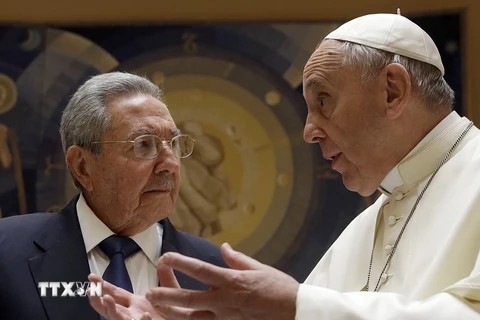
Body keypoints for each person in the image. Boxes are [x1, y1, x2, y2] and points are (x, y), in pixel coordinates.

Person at [99, 12, 480, 320]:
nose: (309, 132)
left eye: (324, 100)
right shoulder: (368, 223)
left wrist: (296, 306)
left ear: (392, 91)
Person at [0, 72, 227, 320]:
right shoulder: (6, 252)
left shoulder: (217, 272)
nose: (170, 164)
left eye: (173, 144)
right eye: (143, 144)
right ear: (82, 167)